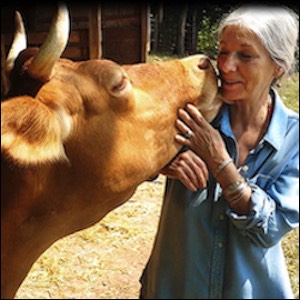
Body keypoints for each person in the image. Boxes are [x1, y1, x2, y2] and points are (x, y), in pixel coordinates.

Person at [140, 4, 299, 299]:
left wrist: (218, 159)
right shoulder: (193, 112)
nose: (225, 65)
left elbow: (270, 229)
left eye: (245, 55)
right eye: (223, 51)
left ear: (278, 66)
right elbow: (131, 151)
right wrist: (161, 160)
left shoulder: (295, 138)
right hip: (177, 286)